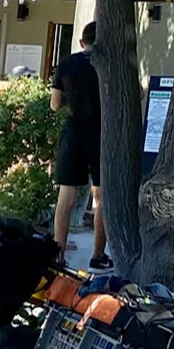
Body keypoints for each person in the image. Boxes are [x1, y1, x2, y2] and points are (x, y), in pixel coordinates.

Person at [51, 23, 112, 271]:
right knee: (101, 196)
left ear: (81, 42)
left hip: (73, 131)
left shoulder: (66, 63)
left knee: (66, 195)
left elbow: (54, 104)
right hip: (101, 133)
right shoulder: (109, 64)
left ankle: (58, 255)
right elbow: (136, 93)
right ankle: (98, 255)